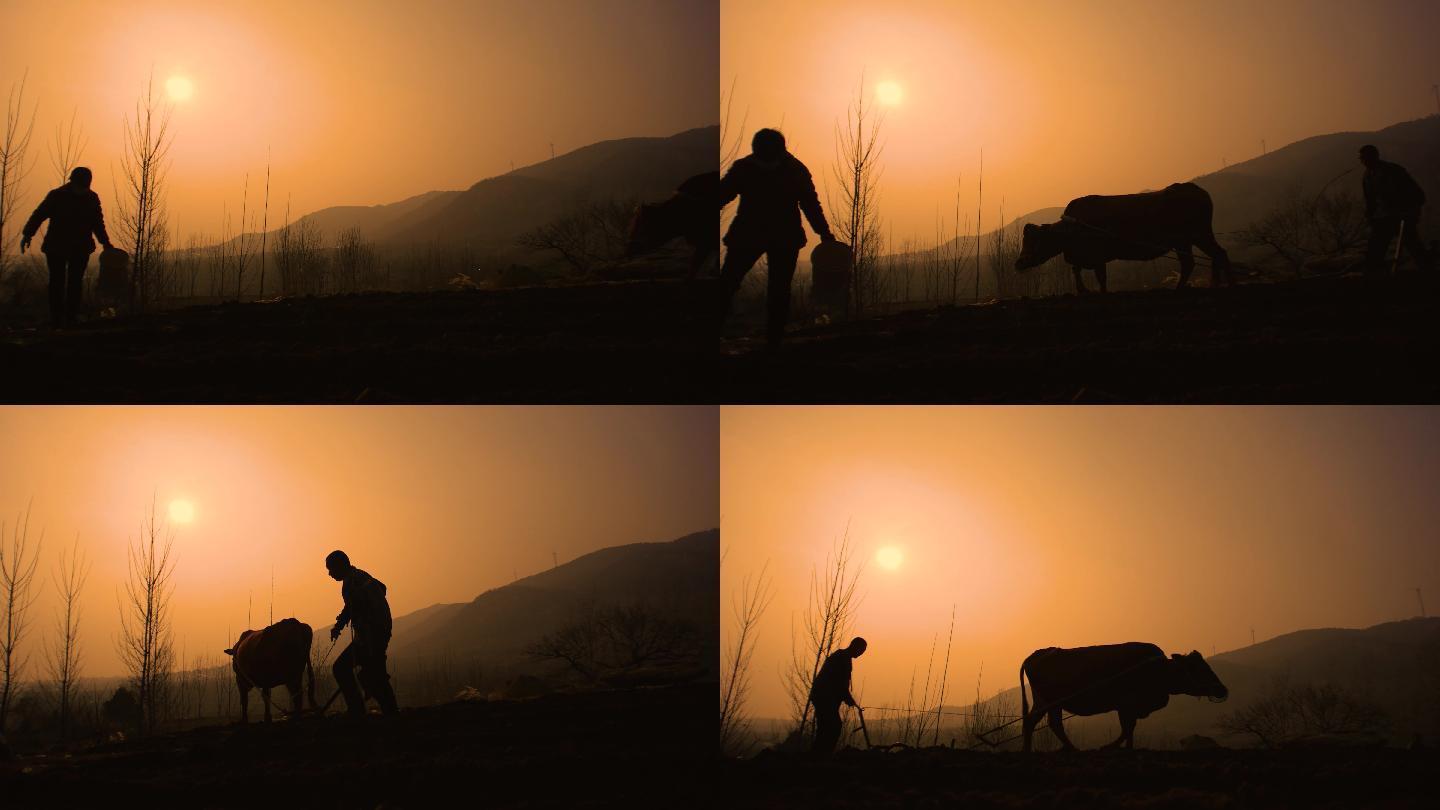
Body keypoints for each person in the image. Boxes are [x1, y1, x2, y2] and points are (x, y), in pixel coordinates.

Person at [718, 128, 836, 347]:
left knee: (778, 290)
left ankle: (774, 341)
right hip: (752, 235)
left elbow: (810, 204)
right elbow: (722, 195)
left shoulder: (793, 170)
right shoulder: (747, 168)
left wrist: (823, 232)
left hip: (779, 237)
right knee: (727, 284)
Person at [20, 166, 113, 328]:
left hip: (80, 248)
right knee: (57, 282)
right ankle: (56, 319)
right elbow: (39, 214)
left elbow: (97, 223)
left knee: (75, 283)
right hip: (56, 247)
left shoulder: (92, 199)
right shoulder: (57, 196)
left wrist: (105, 243)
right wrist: (28, 234)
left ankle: (71, 318)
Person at [326, 550, 399, 717]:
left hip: (370, 636)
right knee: (373, 674)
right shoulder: (361, 576)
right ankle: (390, 713)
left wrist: (340, 625)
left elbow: (355, 604)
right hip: (376, 633)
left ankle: (358, 710)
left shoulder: (352, 581)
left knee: (345, 669)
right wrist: (340, 624)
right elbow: (382, 588)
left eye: (331, 569)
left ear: (340, 566)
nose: (329, 574)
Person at [1358, 144, 1431, 274]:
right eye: (1362, 158)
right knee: (1376, 249)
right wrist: (1370, 216)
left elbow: (1417, 194)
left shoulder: (1393, 171)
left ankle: (1429, 274)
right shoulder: (1367, 177)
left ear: (1374, 156)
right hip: (1383, 218)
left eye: (1365, 158)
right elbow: (1370, 201)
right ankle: (1373, 276)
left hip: (1402, 216)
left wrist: (1411, 211)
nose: (1363, 161)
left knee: (1413, 246)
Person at [808, 636, 867, 754]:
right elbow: (839, 683)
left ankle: (819, 754)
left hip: (825, 697)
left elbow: (841, 685)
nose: (861, 654)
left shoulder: (843, 657)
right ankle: (821, 754)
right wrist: (849, 700)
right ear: (855, 646)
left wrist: (848, 698)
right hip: (824, 698)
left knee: (826, 727)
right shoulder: (842, 658)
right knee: (832, 726)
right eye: (861, 651)